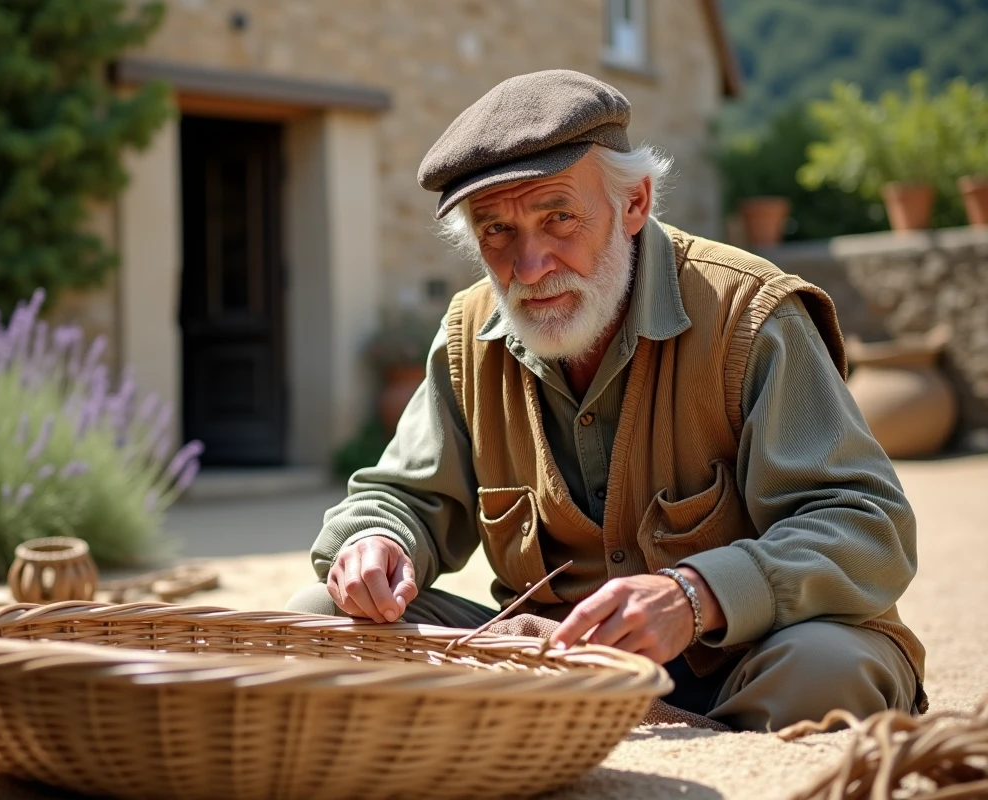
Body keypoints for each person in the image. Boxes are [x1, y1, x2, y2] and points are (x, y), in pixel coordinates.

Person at [285, 70, 925, 732]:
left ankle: (646, 737)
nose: (529, 266)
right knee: (319, 622)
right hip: (554, 667)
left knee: (829, 671)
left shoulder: (750, 315)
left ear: (635, 203)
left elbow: (865, 526)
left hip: (744, 657)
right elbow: (402, 497)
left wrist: (697, 594)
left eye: (558, 218)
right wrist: (376, 541)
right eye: (496, 230)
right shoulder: (468, 334)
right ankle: (597, 728)